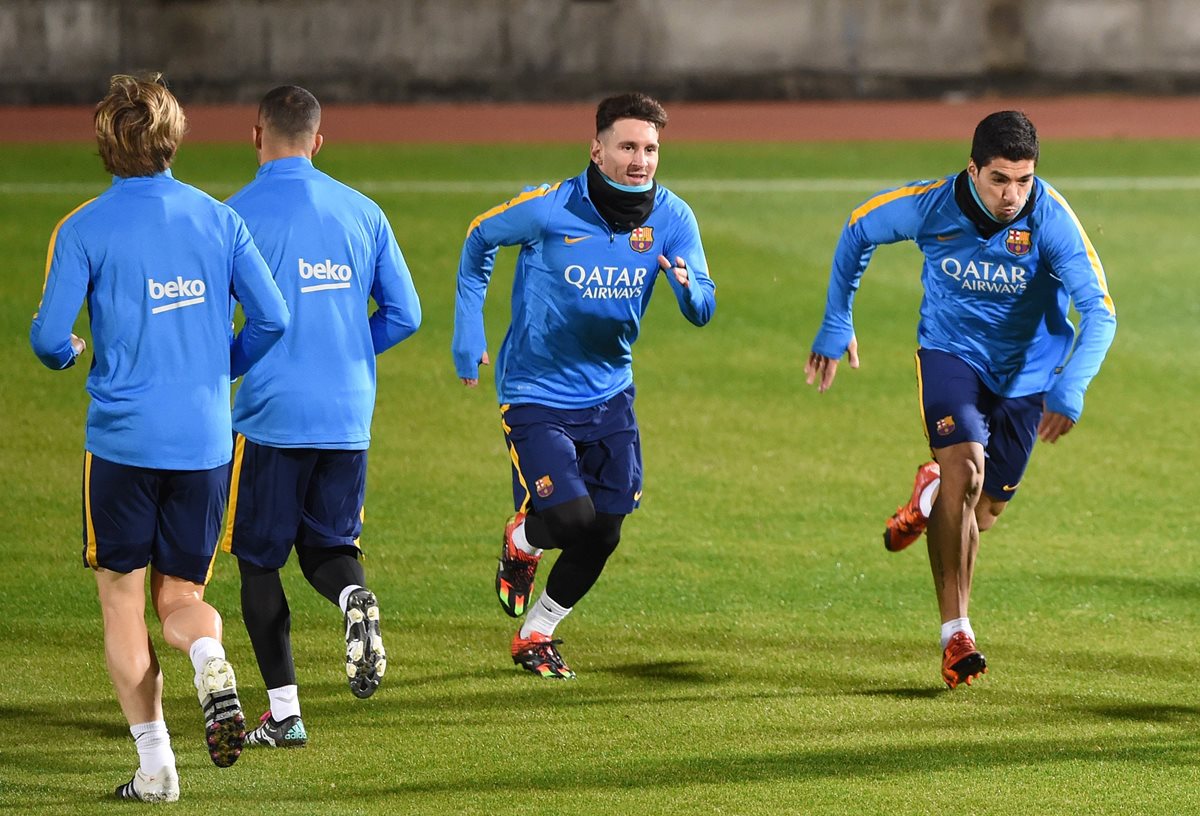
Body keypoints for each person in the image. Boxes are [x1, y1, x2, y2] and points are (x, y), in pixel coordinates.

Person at [29, 73, 289, 801]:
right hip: (205, 443)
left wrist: (72, 353)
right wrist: (218, 368)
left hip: (121, 444)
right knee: (180, 599)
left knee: (122, 602)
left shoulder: (82, 227)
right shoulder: (218, 219)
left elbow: (49, 339)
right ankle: (207, 650)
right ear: (174, 137)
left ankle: (157, 769)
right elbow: (272, 320)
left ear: (107, 143)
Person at [805, 111, 1116, 689]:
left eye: (1024, 180)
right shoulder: (930, 206)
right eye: (1000, 179)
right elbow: (858, 229)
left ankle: (928, 497)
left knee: (983, 513)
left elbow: (1101, 310)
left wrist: (1070, 385)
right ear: (972, 169)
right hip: (951, 356)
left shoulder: (1050, 219)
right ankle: (957, 636)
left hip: (1028, 377)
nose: (1012, 195)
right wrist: (836, 318)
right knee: (966, 470)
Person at [453, 92, 716, 679]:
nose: (641, 159)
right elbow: (478, 239)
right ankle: (523, 537)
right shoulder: (548, 208)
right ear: (596, 150)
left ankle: (538, 632)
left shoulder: (672, 217)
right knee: (569, 519)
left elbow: (704, 304)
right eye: (628, 146)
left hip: (610, 393)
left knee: (605, 530)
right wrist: (468, 330)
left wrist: (687, 289)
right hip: (536, 392)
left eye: (650, 148)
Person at [222, 85, 422, 746]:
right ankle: (352, 599)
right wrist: (345, 350)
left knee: (258, 561)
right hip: (346, 412)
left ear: (257, 136)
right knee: (330, 548)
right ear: (319, 139)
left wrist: (228, 367)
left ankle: (284, 714)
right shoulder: (362, 212)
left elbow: (214, 329)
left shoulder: (231, 216)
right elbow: (407, 314)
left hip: (271, 415)